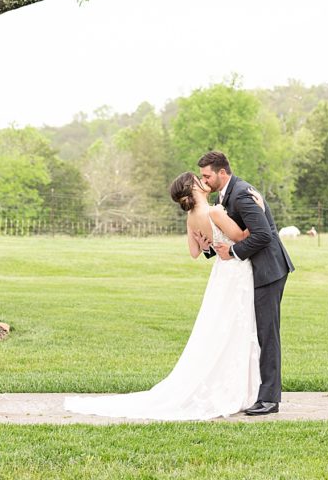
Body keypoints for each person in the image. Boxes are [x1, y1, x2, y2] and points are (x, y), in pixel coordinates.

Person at [64, 171, 264, 421]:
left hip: (220, 276)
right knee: (236, 328)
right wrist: (259, 209)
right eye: (199, 180)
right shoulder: (214, 212)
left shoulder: (192, 218)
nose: (204, 182)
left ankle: (234, 384)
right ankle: (241, 388)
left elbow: (194, 252)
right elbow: (240, 237)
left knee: (220, 327)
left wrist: (206, 245)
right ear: (193, 188)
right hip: (235, 271)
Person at [198, 150, 294, 416]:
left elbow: (263, 234)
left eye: (207, 175)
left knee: (267, 333)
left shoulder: (241, 193)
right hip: (250, 272)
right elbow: (234, 233)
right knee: (253, 332)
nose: (204, 180)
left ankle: (270, 399)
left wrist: (234, 253)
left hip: (268, 271)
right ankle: (253, 391)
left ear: (222, 172)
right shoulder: (225, 194)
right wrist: (211, 249)